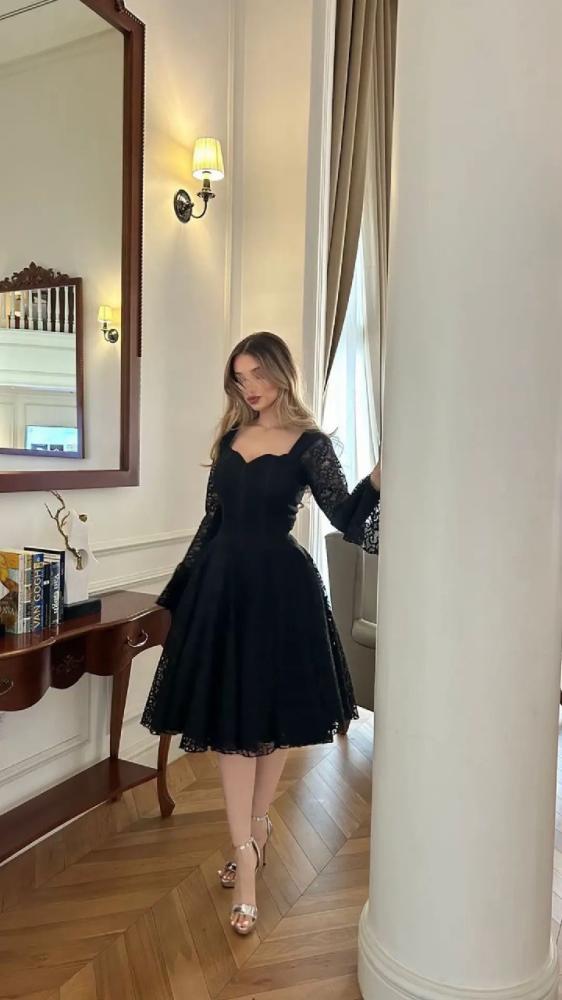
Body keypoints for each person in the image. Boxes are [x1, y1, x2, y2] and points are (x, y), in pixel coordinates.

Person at [140, 331, 381, 936]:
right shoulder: (230, 438)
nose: (249, 387)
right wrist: (176, 594)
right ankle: (246, 856)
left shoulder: (311, 444)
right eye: (239, 377)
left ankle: (256, 826)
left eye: (257, 374)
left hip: (281, 592)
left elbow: (346, 516)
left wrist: (380, 477)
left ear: (281, 372)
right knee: (229, 726)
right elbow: (211, 523)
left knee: (269, 723)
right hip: (221, 590)